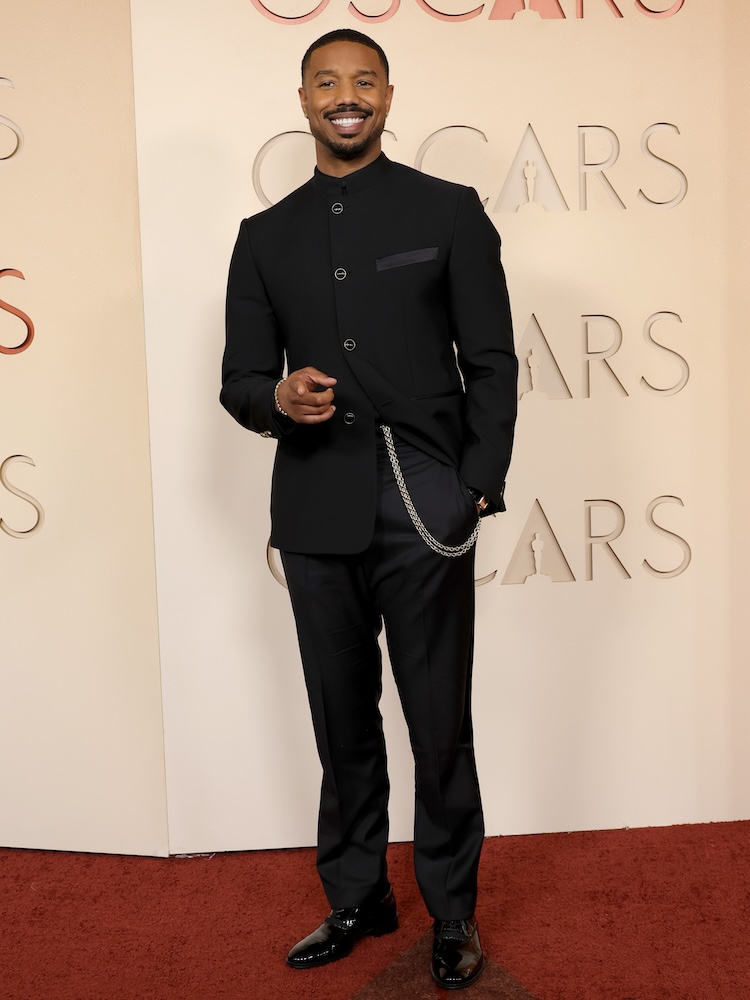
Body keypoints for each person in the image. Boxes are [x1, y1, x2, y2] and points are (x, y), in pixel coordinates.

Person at [221, 28, 517, 990]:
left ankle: (453, 910)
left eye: (362, 80)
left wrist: (475, 486)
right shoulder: (264, 236)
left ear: (388, 95)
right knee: (339, 720)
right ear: (303, 99)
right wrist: (277, 399)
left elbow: (492, 361)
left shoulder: (449, 210)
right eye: (326, 82)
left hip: (424, 501)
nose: (344, 96)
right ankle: (357, 896)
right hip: (314, 505)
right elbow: (239, 379)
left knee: (438, 721)